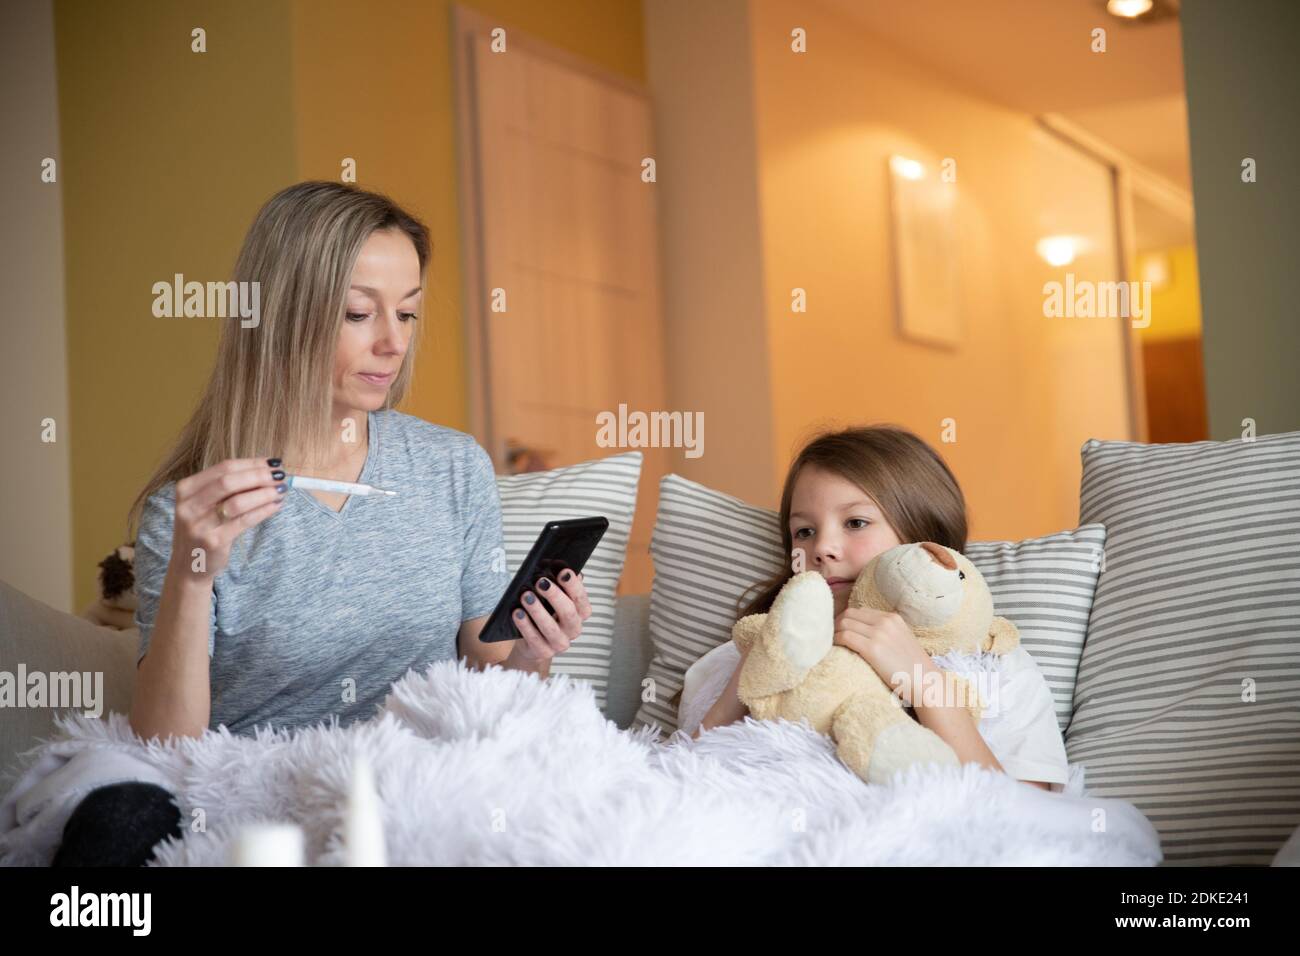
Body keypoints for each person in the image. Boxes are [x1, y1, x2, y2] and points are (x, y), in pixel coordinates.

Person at [54, 181, 591, 865]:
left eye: (409, 313)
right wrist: (195, 573)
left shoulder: (454, 468)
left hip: (415, 797)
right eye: (359, 313)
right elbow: (167, 747)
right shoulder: (190, 512)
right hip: (257, 808)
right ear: (282, 315)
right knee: (117, 819)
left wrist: (533, 652)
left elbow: (488, 686)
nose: (393, 344)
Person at [682, 425, 1069, 793]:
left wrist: (922, 679)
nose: (822, 548)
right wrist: (744, 686)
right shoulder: (729, 660)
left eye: (855, 522)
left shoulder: (994, 662)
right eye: (804, 531)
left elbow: (1026, 815)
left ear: (924, 537)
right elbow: (670, 790)